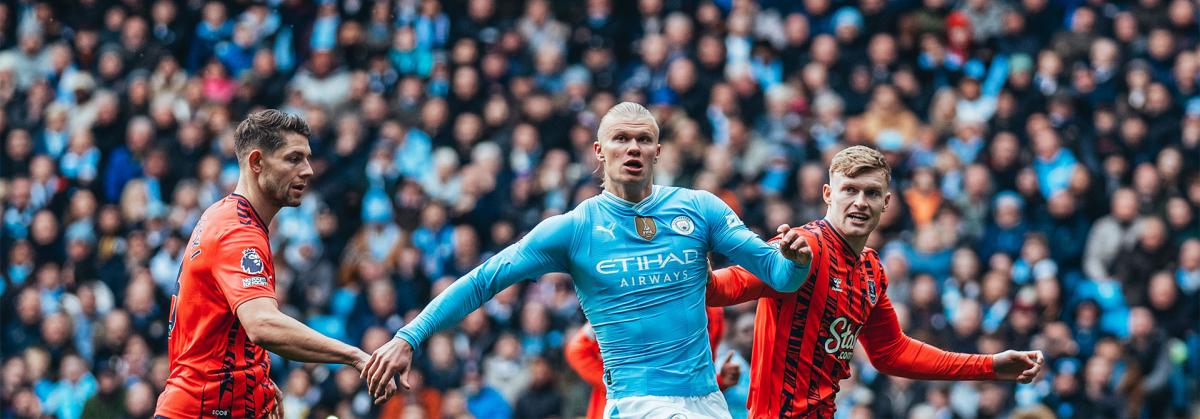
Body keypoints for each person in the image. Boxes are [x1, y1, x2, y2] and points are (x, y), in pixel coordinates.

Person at [363, 102, 811, 418]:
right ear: (600, 151)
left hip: (706, 402)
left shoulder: (701, 209)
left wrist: (794, 259)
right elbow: (484, 280)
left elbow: (778, 275)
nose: (633, 148)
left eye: (644, 140)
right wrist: (409, 336)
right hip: (636, 404)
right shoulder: (573, 229)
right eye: (621, 139)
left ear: (658, 152)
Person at [706, 145, 1045, 418]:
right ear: (827, 194)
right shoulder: (801, 245)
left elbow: (891, 351)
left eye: (871, 193)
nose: (860, 202)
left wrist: (989, 366)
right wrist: (689, 259)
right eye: (849, 190)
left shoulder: (871, 269)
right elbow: (723, 287)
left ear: (886, 202)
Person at [154, 110, 391, 418]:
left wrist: (257, 382)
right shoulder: (238, 233)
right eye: (293, 159)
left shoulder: (224, 215)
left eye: (306, 158)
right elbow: (262, 324)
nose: (307, 170)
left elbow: (221, 325)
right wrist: (354, 356)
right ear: (257, 162)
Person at [565, 306, 740, 419]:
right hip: (624, 409)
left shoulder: (714, 311)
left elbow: (694, 376)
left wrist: (718, 380)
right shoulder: (636, 299)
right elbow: (578, 351)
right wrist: (626, 386)